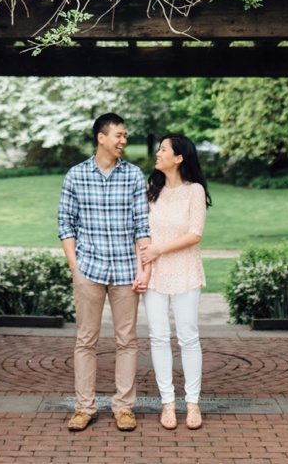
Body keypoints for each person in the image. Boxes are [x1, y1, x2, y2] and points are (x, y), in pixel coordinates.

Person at [57, 112, 152, 433]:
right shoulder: (75, 176)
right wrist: (75, 267)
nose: (124, 140)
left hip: (126, 271)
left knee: (127, 341)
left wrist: (143, 269)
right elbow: (64, 224)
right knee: (86, 340)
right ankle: (85, 407)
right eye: (119, 135)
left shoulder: (134, 176)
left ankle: (124, 407)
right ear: (101, 137)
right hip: (89, 270)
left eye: (125, 136)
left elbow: (143, 226)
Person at [137, 133, 212, 430]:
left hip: (185, 271)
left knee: (188, 337)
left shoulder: (194, 191)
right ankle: (167, 403)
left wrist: (158, 249)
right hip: (153, 274)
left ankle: (192, 403)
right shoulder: (148, 191)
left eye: (163, 149)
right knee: (157, 337)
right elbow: (139, 233)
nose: (157, 154)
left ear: (179, 157)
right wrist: (142, 266)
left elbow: (195, 233)